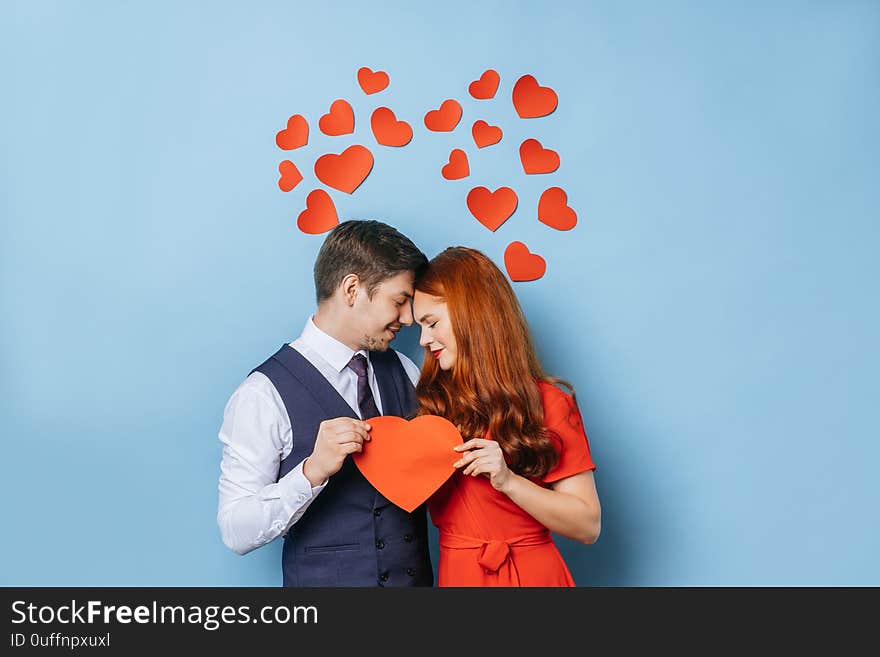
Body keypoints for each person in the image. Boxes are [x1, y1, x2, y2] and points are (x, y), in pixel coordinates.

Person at [217, 220, 434, 587]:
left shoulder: (404, 370)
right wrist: (310, 471)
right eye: (398, 301)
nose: (408, 319)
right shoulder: (262, 394)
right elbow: (235, 530)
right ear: (352, 289)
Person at [412, 246, 601, 586]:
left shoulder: (549, 403)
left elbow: (588, 525)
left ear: (472, 314)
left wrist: (508, 481)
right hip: (459, 576)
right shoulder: (431, 405)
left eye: (432, 323)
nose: (424, 339)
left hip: (533, 575)